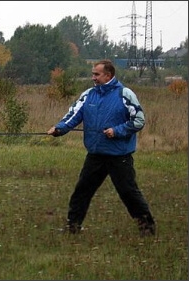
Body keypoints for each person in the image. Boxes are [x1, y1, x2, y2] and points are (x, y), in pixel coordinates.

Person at [47, 59, 156, 237]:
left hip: (119, 155)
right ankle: (73, 227)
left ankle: (147, 228)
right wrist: (59, 129)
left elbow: (139, 120)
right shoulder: (89, 94)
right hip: (96, 154)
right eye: (93, 74)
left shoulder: (125, 94)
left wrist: (117, 131)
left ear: (108, 75)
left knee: (129, 193)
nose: (93, 78)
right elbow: (73, 115)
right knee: (81, 192)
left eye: (96, 74)